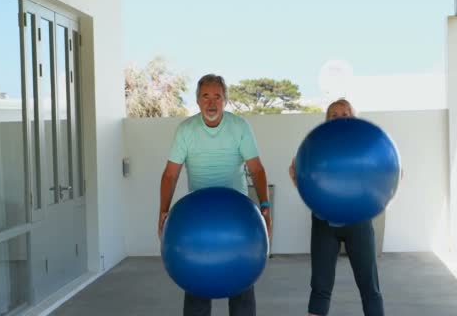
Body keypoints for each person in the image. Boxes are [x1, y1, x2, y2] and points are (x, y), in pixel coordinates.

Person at [158, 74, 272, 316]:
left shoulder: (239, 126)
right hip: (198, 219)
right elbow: (170, 175)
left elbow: (257, 169)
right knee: (197, 284)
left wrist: (265, 207)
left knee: (242, 285)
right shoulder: (186, 130)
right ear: (198, 101)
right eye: (205, 96)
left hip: (237, 217)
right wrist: (163, 212)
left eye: (217, 97)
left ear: (225, 101)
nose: (211, 103)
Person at [289, 99, 384, 316]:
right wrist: (297, 177)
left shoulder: (366, 146)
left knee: (369, 287)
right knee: (320, 288)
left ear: (353, 118)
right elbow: (305, 178)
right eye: (334, 114)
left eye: (345, 113)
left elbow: (387, 173)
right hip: (324, 223)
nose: (340, 117)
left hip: (358, 223)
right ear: (326, 121)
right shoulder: (316, 147)